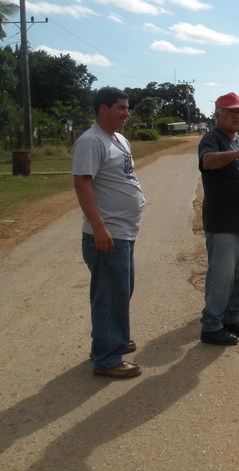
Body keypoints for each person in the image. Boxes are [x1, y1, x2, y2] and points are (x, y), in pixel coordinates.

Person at [73, 87, 146, 378]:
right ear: (103, 109)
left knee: (119, 292)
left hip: (123, 233)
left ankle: (109, 341)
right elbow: (82, 184)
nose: (127, 113)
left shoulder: (119, 139)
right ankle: (107, 358)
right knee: (109, 297)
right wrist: (99, 226)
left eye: (127, 108)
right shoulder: (91, 141)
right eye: (121, 108)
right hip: (107, 235)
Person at [198, 92, 239, 346]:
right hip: (222, 221)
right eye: (231, 112)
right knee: (221, 276)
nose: (236, 116)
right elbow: (208, 162)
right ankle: (211, 325)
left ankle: (231, 317)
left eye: (238, 112)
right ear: (218, 115)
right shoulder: (212, 139)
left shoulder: (236, 141)